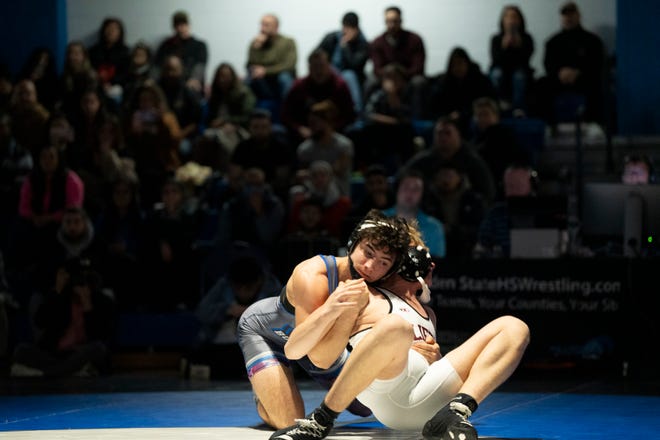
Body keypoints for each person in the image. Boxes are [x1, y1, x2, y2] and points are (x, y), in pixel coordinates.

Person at [271, 240, 530, 440]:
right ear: (417, 269)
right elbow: (325, 355)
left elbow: (436, 368)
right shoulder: (366, 295)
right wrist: (336, 309)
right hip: (386, 390)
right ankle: (322, 419)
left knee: (513, 326)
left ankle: (456, 412)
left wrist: (435, 356)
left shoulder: (428, 313)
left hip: (428, 398)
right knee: (397, 327)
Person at [236, 209, 411, 429]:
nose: (370, 267)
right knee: (287, 422)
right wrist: (331, 308)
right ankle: (265, 397)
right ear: (353, 244)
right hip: (267, 332)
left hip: (318, 344)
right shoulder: (313, 275)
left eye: (383, 263)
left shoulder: (381, 284)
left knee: (368, 406)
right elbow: (295, 348)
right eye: (368, 252)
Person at [403, 116, 496, 205]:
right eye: (439, 133)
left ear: (458, 135)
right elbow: (401, 182)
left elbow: (488, 193)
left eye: (448, 133)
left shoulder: (473, 162)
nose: (443, 137)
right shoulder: (423, 161)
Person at [540, 1, 605, 123]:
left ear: (578, 16)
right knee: (541, 85)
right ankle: (548, 126)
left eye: (571, 14)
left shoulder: (592, 41)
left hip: (583, 79)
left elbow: (596, 64)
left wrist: (577, 73)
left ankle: (593, 125)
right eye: (565, 15)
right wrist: (560, 73)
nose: (568, 18)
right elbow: (548, 64)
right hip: (558, 80)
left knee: (596, 85)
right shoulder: (552, 42)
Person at [280, 49, 356, 144]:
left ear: (329, 66)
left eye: (322, 66)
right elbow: (286, 114)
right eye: (315, 67)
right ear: (309, 68)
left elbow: (350, 114)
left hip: (335, 133)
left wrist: (330, 129)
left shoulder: (339, 85)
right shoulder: (299, 86)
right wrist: (299, 128)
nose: (319, 71)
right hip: (305, 133)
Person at [368, 6, 427, 118]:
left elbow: (418, 67)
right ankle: (366, 118)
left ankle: (418, 121)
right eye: (388, 21)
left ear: (401, 21)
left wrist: (400, 78)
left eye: (395, 21)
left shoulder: (415, 40)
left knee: (419, 82)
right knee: (370, 82)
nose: (392, 25)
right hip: (385, 79)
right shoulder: (377, 42)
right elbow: (377, 68)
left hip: (408, 78)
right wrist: (388, 79)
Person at [383, 168, 446, 258]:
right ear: (397, 190)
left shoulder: (434, 227)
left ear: (422, 194)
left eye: (416, 189)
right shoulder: (378, 219)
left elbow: (437, 264)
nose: (410, 192)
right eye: (406, 187)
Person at [296, 100, 354, 196]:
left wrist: (312, 174)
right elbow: (302, 173)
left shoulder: (344, 145)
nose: (311, 128)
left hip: (338, 194)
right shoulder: (304, 149)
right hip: (313, 194)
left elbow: (338, 170)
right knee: (296, 191)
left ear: (328, 122)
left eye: (314, 123)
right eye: (310, 124)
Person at [317, 12, 370, 113]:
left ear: (356, 29)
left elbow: (355, 66)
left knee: (349, 75)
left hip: (348, 73)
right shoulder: (332, 37)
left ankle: (357, 114)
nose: (346, 31)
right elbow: (316, 55)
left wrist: (345, 47)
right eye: (344, 27)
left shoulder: (363, 44)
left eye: (350, 28)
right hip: (330, 70)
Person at [488, 5, 534, 113]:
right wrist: (503, 46)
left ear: (520, 20)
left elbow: (526, 60)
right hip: (500, 70)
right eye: (508, 17)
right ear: (503, 20)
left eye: (514, 17)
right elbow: (495, 60)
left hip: (520, 70)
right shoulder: (496, 39)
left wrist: (519, 46)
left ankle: (518, 109)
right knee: (496, 74)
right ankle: (497, 107)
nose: (511, 20)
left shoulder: (527, 38)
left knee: (519, 76)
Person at [154, 10, 208, 95]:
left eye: (183, 24)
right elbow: (156, 65)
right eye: (177, 25)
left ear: (188, 25)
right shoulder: (166, 45)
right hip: (168, 86)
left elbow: (200, 66)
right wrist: (152, 81)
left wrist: (195, 79)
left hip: (190, 86)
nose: (180, 28)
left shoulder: (199, 45)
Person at [246, 14, 297, 103]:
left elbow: (289, 65)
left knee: (284, 77)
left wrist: (266, 70)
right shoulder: (256, 43)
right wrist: (257, 47)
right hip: (263, 80)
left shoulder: (288, 42)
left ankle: (287, 110)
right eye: (261, 24)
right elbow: (250, 64)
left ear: (276, 27)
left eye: (266, 25)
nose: (262, 28)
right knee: (248, 80)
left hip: (279, 78)